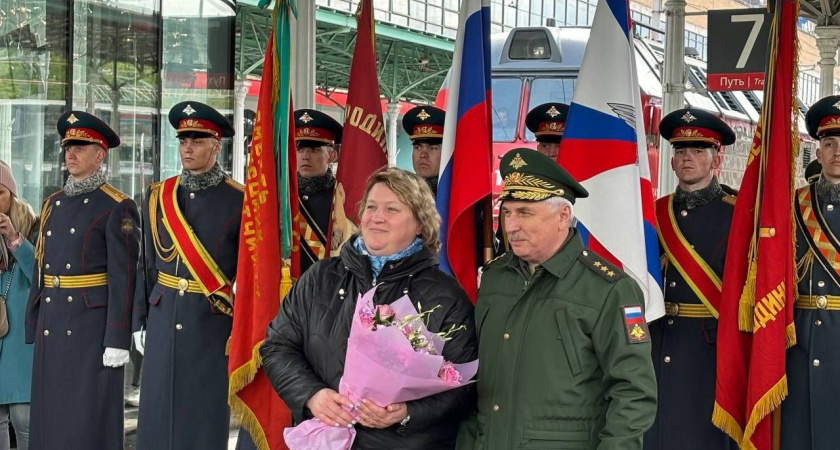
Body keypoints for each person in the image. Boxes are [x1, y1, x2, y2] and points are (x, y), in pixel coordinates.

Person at [261, 167, 477, 449]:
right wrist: (312, 395)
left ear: (420, 223)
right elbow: (277, 346)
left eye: (392, 209)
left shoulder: (445, 295)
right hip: (326, 440)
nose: (377, 217)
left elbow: (465, 386)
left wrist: (408, 413)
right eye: (371, 207)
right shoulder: (320, 277)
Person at [456, 148, 657, 450]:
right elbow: (477, 381)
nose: (511, 226)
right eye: (508, 212)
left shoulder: (609, 289)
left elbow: (633, 393)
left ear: (563, 216)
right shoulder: (495, 278)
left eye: (525, 213)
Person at [25, 111, 141, 450]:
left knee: (87, 421)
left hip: (91, 330)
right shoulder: (53, 203)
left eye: (80, 147)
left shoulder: (117, 206)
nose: (70, 154)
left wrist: (118, 338)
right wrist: (34, 320)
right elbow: (42, 269)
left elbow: (125, 277)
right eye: (67, 147)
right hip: (52, 322)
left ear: (100, 155)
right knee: (51, 419)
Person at [133, 101, 243, 450]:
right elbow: (147, 265)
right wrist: (139, 320)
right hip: (163, 318)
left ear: (216, 145)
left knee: (202, 417)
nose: (188, 148)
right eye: (183, 140)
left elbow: (246, 273)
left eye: (197, 140)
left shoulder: (240, 200)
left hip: (210, 322)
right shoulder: (157, 195)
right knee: (157, 414)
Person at [644, 108, 738, 450]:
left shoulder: (737, 214)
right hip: (659, 341)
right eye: (681, 150)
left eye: (699, 150)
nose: (688, 158)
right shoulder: (655, 212)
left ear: (716, 159)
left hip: (709, 348)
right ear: (671, 161)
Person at [783, 94, 840, 450]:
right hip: (802, 343)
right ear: (817, 153)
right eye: (830, 143)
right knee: (800, 434)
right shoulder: (792, 204)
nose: (838, 152)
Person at [0, 161, 38, 450]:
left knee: (24, 420)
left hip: (21, 338)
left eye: (0, 193)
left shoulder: (34, 225)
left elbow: (42, 277)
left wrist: (14, 238)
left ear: (12, 194)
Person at [294, 108, 344, 271]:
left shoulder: (342, 198)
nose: (305, 156)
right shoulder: (283, 197)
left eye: (314, 150)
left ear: (332, 156)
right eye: (300, 150)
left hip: (330, 281)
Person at [402, 105, 445, 196]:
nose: (423, 155)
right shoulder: (402, 193)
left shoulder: (458, 195)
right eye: (418, 147)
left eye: (432, 148)